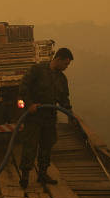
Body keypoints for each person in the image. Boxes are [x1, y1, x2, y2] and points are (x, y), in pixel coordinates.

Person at [17, 47, 74, 188]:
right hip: (34, 117)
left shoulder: (61, 79)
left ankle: (43, 174)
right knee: (30, 145)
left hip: (49, 118)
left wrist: (69, 113)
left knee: (47, 146)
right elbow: (24, 87)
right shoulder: (37, 70)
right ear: (58, 59)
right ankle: (25, 176)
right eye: (65, 64)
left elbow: (64, 99)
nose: (66, 67)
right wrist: (29, 104)